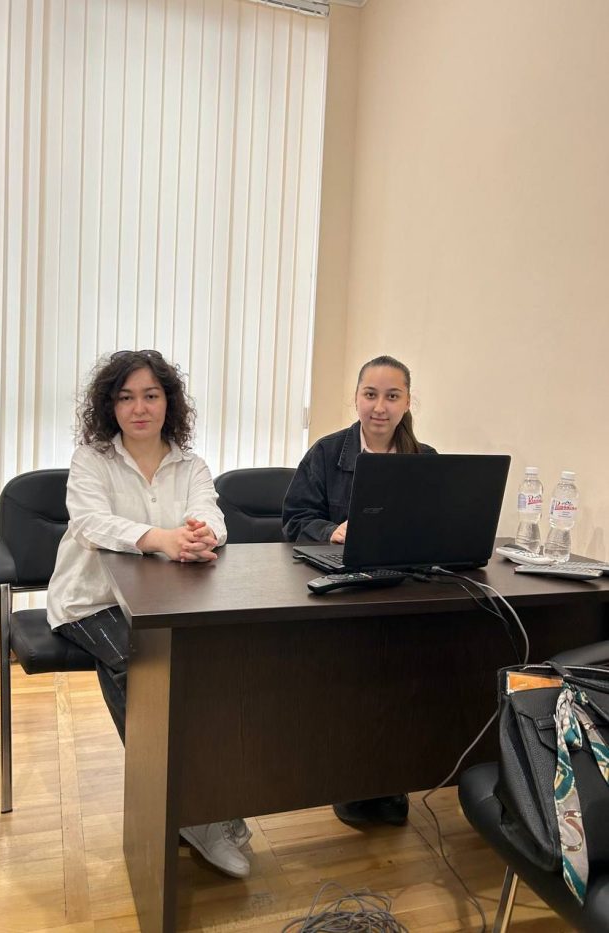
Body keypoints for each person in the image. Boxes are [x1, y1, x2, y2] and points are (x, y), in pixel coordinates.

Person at [47, 349, 251, 878]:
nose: (139, 408)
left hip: (165, 602)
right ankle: (192, 814)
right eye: (126, 397)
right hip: (91, 602)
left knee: (210, 674)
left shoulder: (191, 464)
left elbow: (210, 515)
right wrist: (161, 538)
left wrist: (203, 535)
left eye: (151, 395)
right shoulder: (91, 459)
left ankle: (206, 798)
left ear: (168, 402)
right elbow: (91, 524)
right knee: (141, 669)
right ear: (110, 406)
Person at [282, 354, 437, 827]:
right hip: (342, 593)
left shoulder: (425, 460)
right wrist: (330, 531)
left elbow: (440, 523)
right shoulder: (327, 453)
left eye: (392, 396)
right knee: (354, 682)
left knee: (408, 681)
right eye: (370, 394)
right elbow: (294, 520)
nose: (380, 407)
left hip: (403, 593)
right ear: (356, 398)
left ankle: (391, 780)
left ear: (408, 402)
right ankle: (352, 780)